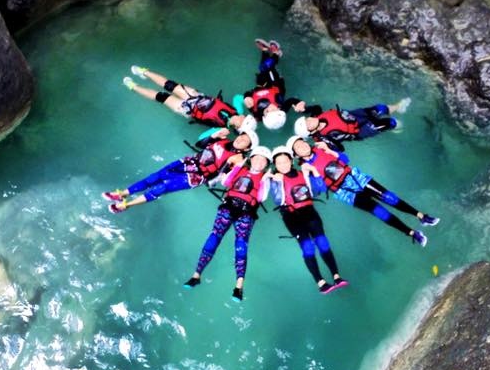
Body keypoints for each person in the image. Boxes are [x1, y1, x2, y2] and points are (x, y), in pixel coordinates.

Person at [288, 135, 437, 245]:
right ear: (296, 155)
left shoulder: (322, 148)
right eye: (298, 148)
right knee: (380, 212)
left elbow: (345, 160)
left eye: (302, 143)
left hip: (355, 177)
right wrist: (313, 171)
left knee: (389, 197)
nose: (302, 147)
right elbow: (321, 189)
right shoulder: (305, 169)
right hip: (344, 191)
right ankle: (413, 233)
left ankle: (421, 216)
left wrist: (329, 150)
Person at [184, 146, 272, 302]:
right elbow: (225, 182)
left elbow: (261, 197)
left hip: (246, 212)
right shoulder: (240, 169)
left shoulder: (265, 178)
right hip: (228, 207)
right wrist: (238, 165)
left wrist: (266, 180)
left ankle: (238, 286)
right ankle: (196, 275)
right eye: (257, 158)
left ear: (266, 164)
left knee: (241, 244)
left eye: (263, 160)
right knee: (214, 237)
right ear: (251, 159)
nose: (259, 161)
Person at [105, 127, 258, 213]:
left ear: (248, 148)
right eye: (241, 136)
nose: (240, 139)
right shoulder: (223, 139)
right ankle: (122, 194)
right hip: (189, 162)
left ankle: (125, 205)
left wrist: (230, 165)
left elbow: (221, 180)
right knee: (155, 177)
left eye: (245, 140)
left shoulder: (239, 160)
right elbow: (200, 145)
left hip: (198, 176)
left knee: (163, 187)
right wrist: (214, 135)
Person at [269, 145, 347, 294]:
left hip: (310, 212)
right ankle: (321, 282)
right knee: (308, 247)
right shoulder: (275, 179)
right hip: (291, 216)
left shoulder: (303, 173)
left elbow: (321, 190)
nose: (283, 165)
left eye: (285, 161)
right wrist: (278, 183)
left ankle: (337, 276)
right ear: (275, 165)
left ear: (291, 161)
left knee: (323, 242)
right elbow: (278, 200)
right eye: (279, 163)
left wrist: (314, 171)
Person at [123, 66, 256, 133]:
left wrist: (216, 135)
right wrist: (247, 99)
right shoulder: (236, 110)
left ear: (239, 126)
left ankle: (134, 87)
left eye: (245, 120)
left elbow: (201, 139)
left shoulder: (220, 127)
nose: (244, 116)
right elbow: (237, 98)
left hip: (187, 109)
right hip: (197, 97)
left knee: (161, 96)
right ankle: (144, 72)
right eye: (246, 117)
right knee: (170, 85)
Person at [242, 39, 307, 131]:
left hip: (260, 86)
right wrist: (299, 103)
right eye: (275, 110)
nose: (271, 108)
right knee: (265, 67)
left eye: (267, 111)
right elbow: (291, 101)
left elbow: (248, 93)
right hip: (275, 83)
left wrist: (246, 97)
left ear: (264, 115)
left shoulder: (256, 112)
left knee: (263, 69)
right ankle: (276, 53)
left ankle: (265, 51)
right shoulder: (282, 108)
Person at [293, 99, 407, 151]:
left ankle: (398, 107)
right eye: (307, 124)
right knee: (390, 123)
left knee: (381, 108)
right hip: (360, 131)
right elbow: (340, 149)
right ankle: (398, 128)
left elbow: (317, 108)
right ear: (311, 132)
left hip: (355, 115)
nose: (310, 120)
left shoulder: (315, 117)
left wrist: (305, 109)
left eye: (307, 119)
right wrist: (327, 147)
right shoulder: (324, 138)